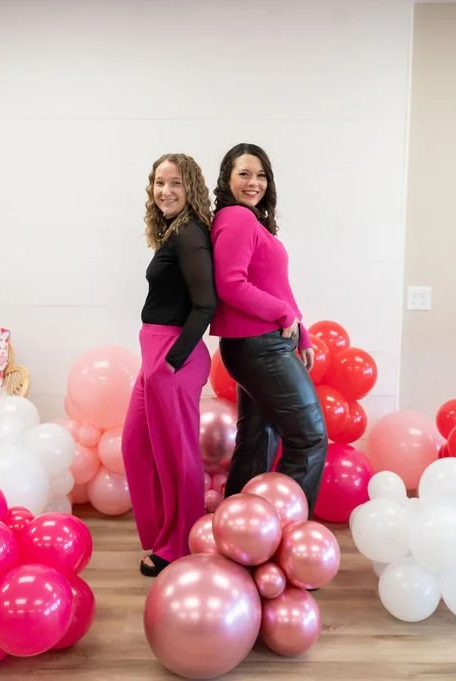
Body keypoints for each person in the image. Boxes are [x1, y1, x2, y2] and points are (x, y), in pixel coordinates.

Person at [209, 142, 328, 518]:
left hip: (258, 344)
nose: (253, 182)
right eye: (244, 173)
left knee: (258, 440)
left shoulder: (250, 221)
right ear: (227, 179)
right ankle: (286, 531)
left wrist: (300, 331)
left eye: (261, 175)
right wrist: (283, 316)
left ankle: (238, 529)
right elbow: (230, 283)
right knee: (309, 440)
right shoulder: (238, 218)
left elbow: (275, 284)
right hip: (258, 347)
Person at [121, 153, 216, 577]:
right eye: (159, 183)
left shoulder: (190, 235)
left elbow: (205, 304)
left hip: (174, 354)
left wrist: (171, 362)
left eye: (175, 183)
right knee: (136, 445)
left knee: (178, 456)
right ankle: (163, 534)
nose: (165, 191)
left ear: (190, 187)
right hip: (156, 355)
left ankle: (181, 546)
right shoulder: (173, 234)